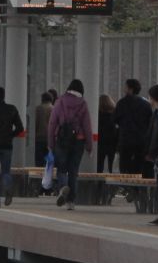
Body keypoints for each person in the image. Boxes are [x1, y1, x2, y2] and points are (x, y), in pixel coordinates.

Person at [49, 79, 92, 210]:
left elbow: (52, 123)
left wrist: (50, 143)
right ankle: (71, 202)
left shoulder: (60, 101)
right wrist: (89, 146)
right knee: (73, 171)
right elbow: (87, 125)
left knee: (62, 169)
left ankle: (63, 188)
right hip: (78, 140)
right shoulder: (83, 104)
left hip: (62, 139)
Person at [112, 80, 153, 178]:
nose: (124, 89)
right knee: (139, 167)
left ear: (130, 89)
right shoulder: (146, 104)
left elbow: (115, 119)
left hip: (125, 140)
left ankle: (126, 189)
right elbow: (150, 122)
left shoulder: (122, 103)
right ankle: (137, 189)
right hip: (141, 141)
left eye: (125, 87)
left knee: (124, 167)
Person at [96, 94, 118, 172]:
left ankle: (99, 182)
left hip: (100, 142)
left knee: (99, 164)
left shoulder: (97, 115)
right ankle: (112, 182)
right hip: (112, 143)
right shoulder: (114, 114)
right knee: (111, 165)